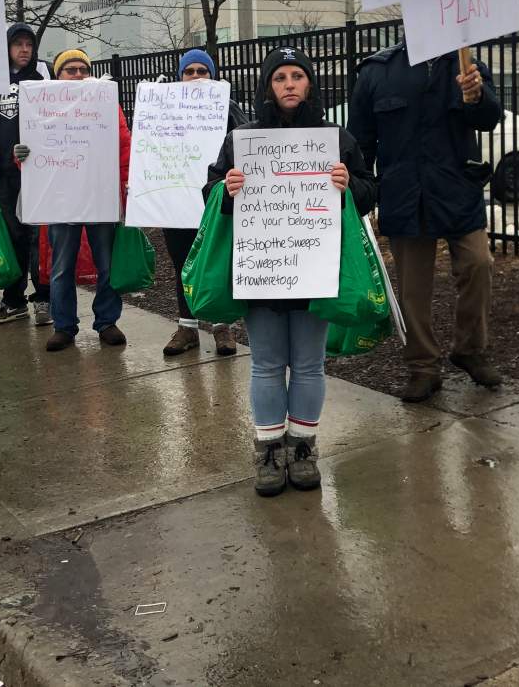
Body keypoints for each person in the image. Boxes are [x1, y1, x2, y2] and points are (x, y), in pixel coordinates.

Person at [206, 47, 376, 496]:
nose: (288, 84)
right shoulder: (242, 138)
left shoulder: (335, 138)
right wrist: (227, 188)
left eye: (297, 75)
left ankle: (303, 447)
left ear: (310, 83)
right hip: (262, 266)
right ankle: (267, 451)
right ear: (268, 86)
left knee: (308, 364)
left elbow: (368, 191)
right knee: (265, 364)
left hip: (314, 265)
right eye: (279, 77)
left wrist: (348, 185)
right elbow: (211, 191)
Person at [348, 44, 504, 402]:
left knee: (478, 264)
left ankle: (470, 349)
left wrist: (476, 96)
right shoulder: (378, 72)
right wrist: (361, 190)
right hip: (405, 194)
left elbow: (490, 118)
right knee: (413, 288)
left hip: (457, 191)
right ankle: (423, 366)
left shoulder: (467, 65)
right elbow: (361, 141)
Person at [14, 49, 132, 352]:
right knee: (61, 266)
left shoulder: (107, 105)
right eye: (71, 70)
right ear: (58, 76)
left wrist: (127, 182)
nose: (78, 75)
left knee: (107, 264)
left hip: (100, 196)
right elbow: (33, 153)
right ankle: (64, 326)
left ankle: (107, 321)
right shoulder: (41, 107)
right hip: (60, 199)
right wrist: (21, 156)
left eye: (83, 69)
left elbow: (124, 145)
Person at [0, 23, 53, 327]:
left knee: (37, 240)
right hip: (1, 176)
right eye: (17, 44)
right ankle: (14, 300)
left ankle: (44, 299)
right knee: (11, 238)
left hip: (35, 174)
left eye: (28, 45)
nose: (24, 50)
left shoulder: (41, 81)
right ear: (6, 48)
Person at [161, 49, 239, 357]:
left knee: (217, 261)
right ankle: (187, 328)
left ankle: (222, 327)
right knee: (183, 265)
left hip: (214, 199)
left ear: (213, 75)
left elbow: (245, 146)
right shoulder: (164, 109)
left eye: (202, 71)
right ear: (180, 77)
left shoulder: (229, 108)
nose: (195, 77)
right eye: (189, 72)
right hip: (176, 199)